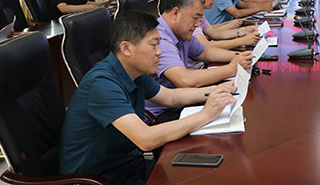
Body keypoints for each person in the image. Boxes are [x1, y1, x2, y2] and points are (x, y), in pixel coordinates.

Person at [59, 11, 236, 184]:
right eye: (154, 45)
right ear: (126, 48)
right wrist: (206, 114)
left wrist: (218, 90)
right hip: (98, 177)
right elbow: (145, 139)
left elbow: (171, 97)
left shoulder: (134, 72)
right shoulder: (101, 83)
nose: (159, 52)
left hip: (128, 164)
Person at [146, 0, 253, 123]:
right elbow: (184, 79)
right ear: (175, 13)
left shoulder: (181, 32)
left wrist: (239, 57)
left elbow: (206, 52)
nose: (197, 24)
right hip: (161, 113)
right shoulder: (159, 38)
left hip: (181, 100)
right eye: (195, 18)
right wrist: (231, 69)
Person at [188, 0, 260, 49]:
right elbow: (206, 46)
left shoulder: (200, 15)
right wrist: (242, 41)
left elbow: (216, 33)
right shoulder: (191, 16)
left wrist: (245, 30)